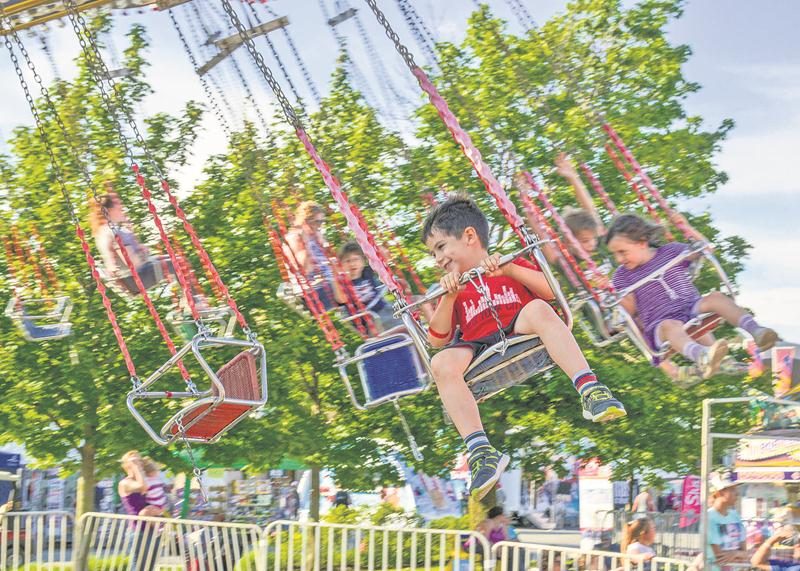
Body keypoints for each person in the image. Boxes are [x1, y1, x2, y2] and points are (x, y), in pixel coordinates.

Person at [422, 195, 626, 500]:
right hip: (477, 343)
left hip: (517, 324)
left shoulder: (509, 263)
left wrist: (510, 271)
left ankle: (590, 389)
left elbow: (551, 292)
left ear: (469, 237)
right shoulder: (451, 287)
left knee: (541, 310)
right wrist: (449, 297)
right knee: (440, 364)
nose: (437, 259)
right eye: (433, 253)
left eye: (440, 247)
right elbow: (437, 339)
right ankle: (480, 451)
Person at [607, 213, 779, 380]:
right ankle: (702, 355)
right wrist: (609, 294)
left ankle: (756, 331)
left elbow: (704, 250)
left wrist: (687, 228)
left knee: (716, 297)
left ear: (642, 243)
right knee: (670, 325)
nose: (619, 259)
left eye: (622, 252)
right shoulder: (622, 276)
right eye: (615, 254)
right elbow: (628, 310)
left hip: (690, 307)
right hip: (659, 324)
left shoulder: (671, 252)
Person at [283, 201, 340, 310]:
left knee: (364, 278)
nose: (319, 226)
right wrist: (307, 243)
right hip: (314, 290)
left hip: (329, 284)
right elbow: (304, 269)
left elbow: (328, 262)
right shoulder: (294, 238)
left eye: (322, 222)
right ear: (305, 221)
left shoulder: (317, 235)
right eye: (317, 222)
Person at [336, 240, 403, 331]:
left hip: (383, 310)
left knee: (405, 317)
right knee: (379, 327)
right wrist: (334, 274)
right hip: (367, 321)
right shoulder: (342, 284)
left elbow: (382, 257)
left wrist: (369, 244)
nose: (352, 264)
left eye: (356, 259)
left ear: (363, 261)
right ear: (341, 265)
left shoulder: (367, 272)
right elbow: (340, 300)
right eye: (347, 261)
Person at [119, 451, 162, 571]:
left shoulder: (145, 479)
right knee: (138, 567)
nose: (140, 463)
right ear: (127, 465)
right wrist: (135, 467)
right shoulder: (125, 483)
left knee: (150, 567)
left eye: (140, 461)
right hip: (138, 531)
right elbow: (143, 487)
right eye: (135, 461)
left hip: (152, 530)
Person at [706, 470, 748, 571]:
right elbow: (720, 558)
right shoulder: (709, 517)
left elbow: (745, 553)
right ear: (720, 492)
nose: (737, 493)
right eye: (732, 489)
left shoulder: (735, 515)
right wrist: (739, 554)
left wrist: (735, 554)